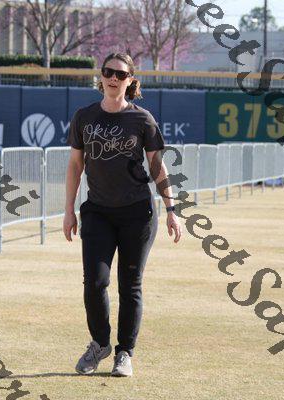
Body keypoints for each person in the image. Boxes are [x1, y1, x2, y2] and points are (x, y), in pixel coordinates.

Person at [63, 52, 182, 377]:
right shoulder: (84, 116)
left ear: (130, 81)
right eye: (108, 72)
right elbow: (75, 165)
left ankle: (124, 353)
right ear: (100, 77)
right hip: (97, 212)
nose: (113, 78)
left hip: (137, 214)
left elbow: (157, 166)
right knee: (95, 282)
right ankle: (100, 344)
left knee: (129, 286)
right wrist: (69, 210)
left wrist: (171, 209)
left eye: (120, 74)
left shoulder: (142, 119)